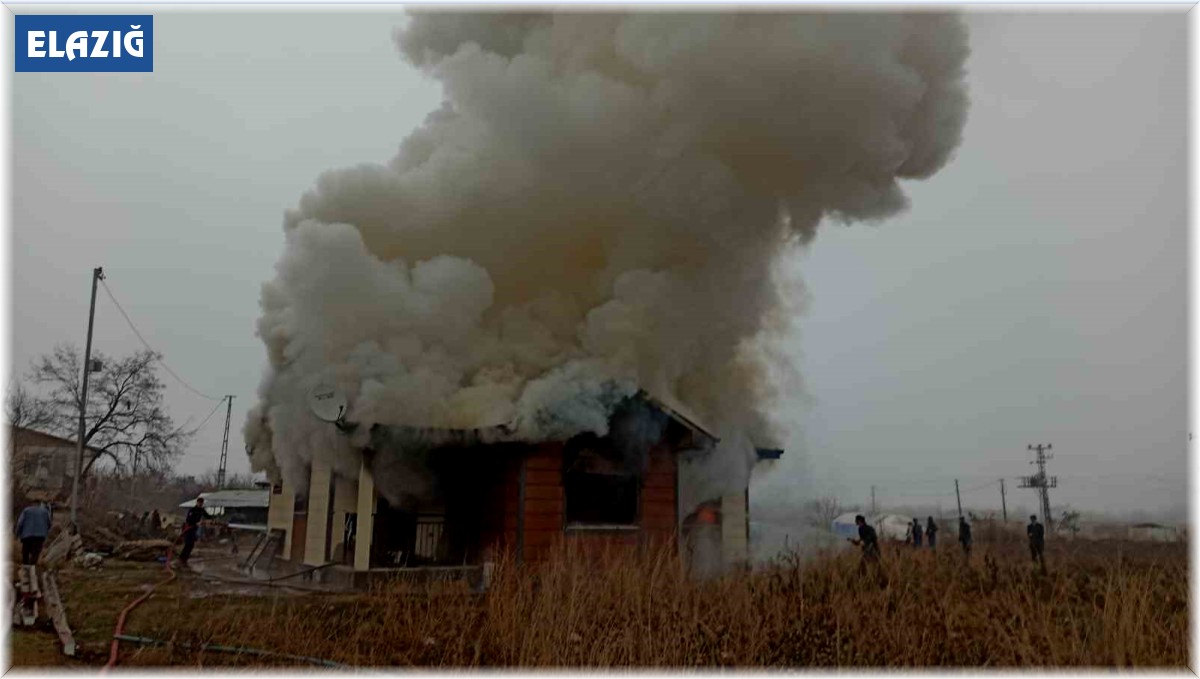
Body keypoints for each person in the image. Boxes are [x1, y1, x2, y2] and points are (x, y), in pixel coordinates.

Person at [16, 501, 52, 566]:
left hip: (27, 536)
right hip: (40, 536)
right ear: (39, 504)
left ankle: (25, 567)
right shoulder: (45, 511)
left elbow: (20, 523)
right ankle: (32, 567)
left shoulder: (26, 510)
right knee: (35, 553)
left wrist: (17, 534)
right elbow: (49, 523)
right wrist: (45, 530)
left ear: (31, 504)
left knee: (25, 553)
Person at [178, 497, 211, 566]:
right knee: (188, 544)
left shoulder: (201, 510)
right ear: (197, 502)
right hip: (188, 529)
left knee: (191, 544)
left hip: (194, 529)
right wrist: (196, 523)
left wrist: (212, 520)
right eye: (199, 503)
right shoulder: (192, 510)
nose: (200, 504)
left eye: (201, 503)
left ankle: (185, 558)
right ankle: (181, 558)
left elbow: (208, 516)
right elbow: (188, 520)